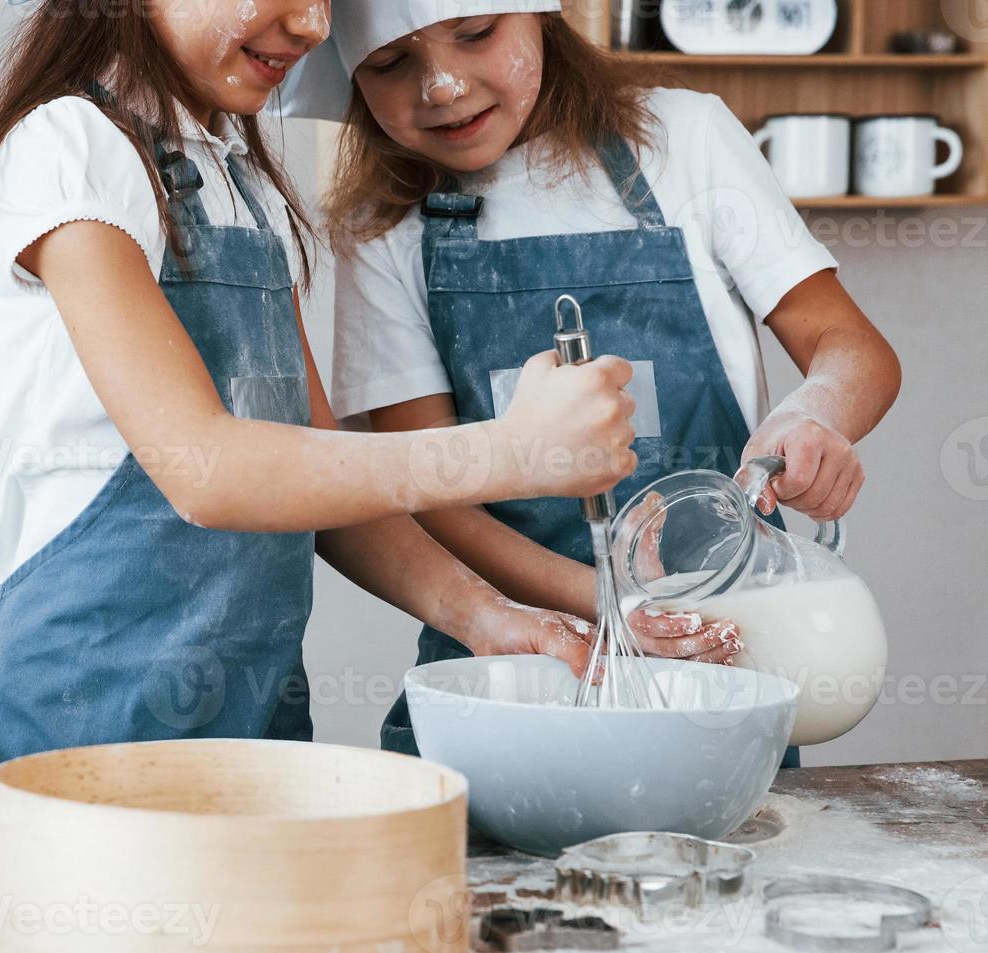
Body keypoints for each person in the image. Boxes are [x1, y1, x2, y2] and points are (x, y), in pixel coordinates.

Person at [0, 0, 641, 806]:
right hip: (75, 737)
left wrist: (484, 616)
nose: (311, 24)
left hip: (248, 733)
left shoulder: (242, 176)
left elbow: (325, 479)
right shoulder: (68, 148)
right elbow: (210, 472)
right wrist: (511, 452)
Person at [282, 0, 901, 756]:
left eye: (476, 34)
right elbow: (430, 489)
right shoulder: (386, 222)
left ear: (544, 18)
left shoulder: (683, 140)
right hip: (512, 665)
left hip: (717, 662)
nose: (441, 86)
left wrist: (816, 414)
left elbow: (852, 348)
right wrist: (611, 607)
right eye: (389, 63)